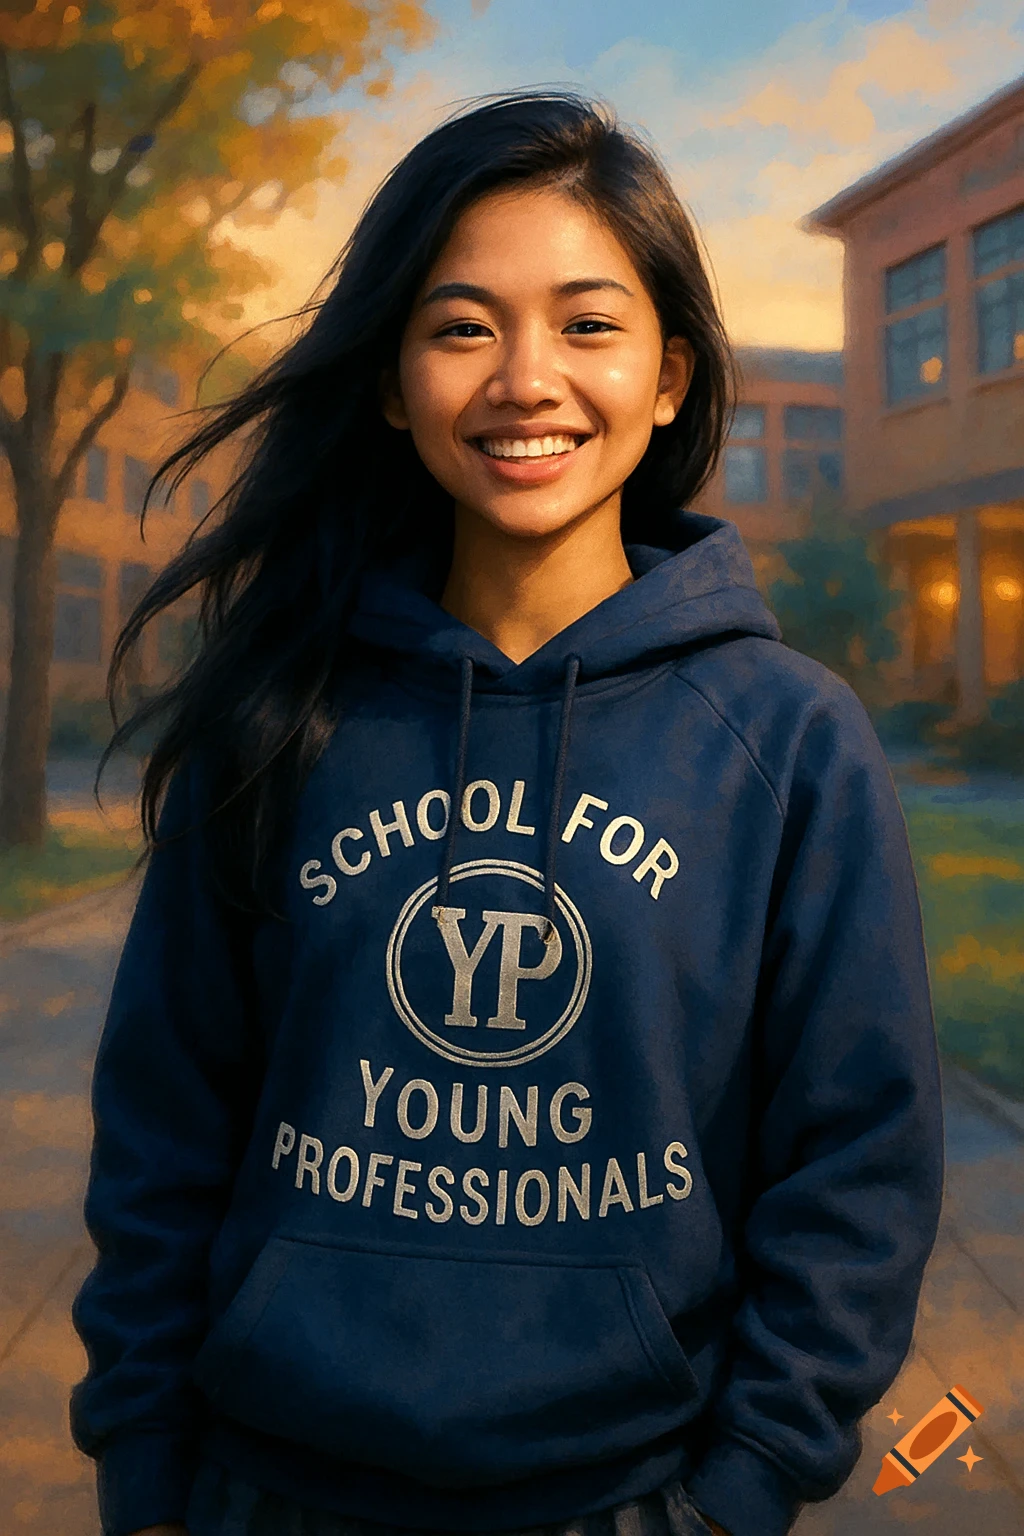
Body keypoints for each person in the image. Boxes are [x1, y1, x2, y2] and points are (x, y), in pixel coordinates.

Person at [70, 91, 944, 1536]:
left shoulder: (788, 741)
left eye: (588, 325)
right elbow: (166, 1122)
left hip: (629, 1498)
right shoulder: (281, 714)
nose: (527, 380)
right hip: (262, 1488)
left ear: (668, 377)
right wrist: (147, 1466)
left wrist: (743, 1487)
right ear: (391, 381)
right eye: (463, 327)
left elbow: (859, 1160)